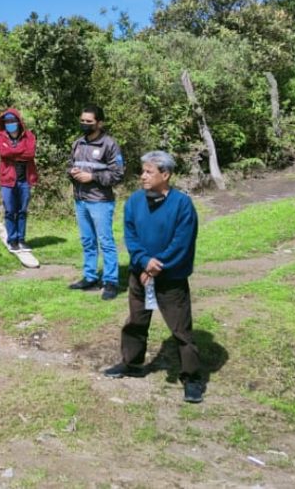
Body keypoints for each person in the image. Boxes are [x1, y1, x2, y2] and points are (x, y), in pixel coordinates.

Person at [104, 151, 204, 404]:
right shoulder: (135, 201)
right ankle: (132, 364)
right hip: (141, 275)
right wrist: (143, 262)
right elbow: (131, 235)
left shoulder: (182, 204)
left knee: (181, 330)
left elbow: (182, 241)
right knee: (136, 321)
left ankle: (192, 378)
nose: (143, 176)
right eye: (143, 171)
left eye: (149, 172)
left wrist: (158, 266)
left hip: (170, 278)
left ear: (166, 175)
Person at [67, 104, 125, 300]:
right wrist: (73, 173)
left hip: (100, 201)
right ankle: (90, 277)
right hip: (80, 200)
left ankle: (111, 282)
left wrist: (92, 177)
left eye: (89, 122)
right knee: (87, 241)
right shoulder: (77, 144)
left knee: (106, 242)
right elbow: (70, 165)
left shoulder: (110, 145)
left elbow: (118, 174)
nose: (84, 124)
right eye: (82, 121)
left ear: (99, 123)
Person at [0, 109, 37, 258]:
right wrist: (19, 152)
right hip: (7, 180)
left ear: (18, 121)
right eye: (7, 121)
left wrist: (12, 151)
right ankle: (12, 240)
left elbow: (30, 153)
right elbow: (3, 153)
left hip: (25, 179)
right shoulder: (0, 137)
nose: (10, 124)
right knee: (10, 211)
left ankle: (21, 239)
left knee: (22, 211)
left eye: (12, 120)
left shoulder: (29, 136)